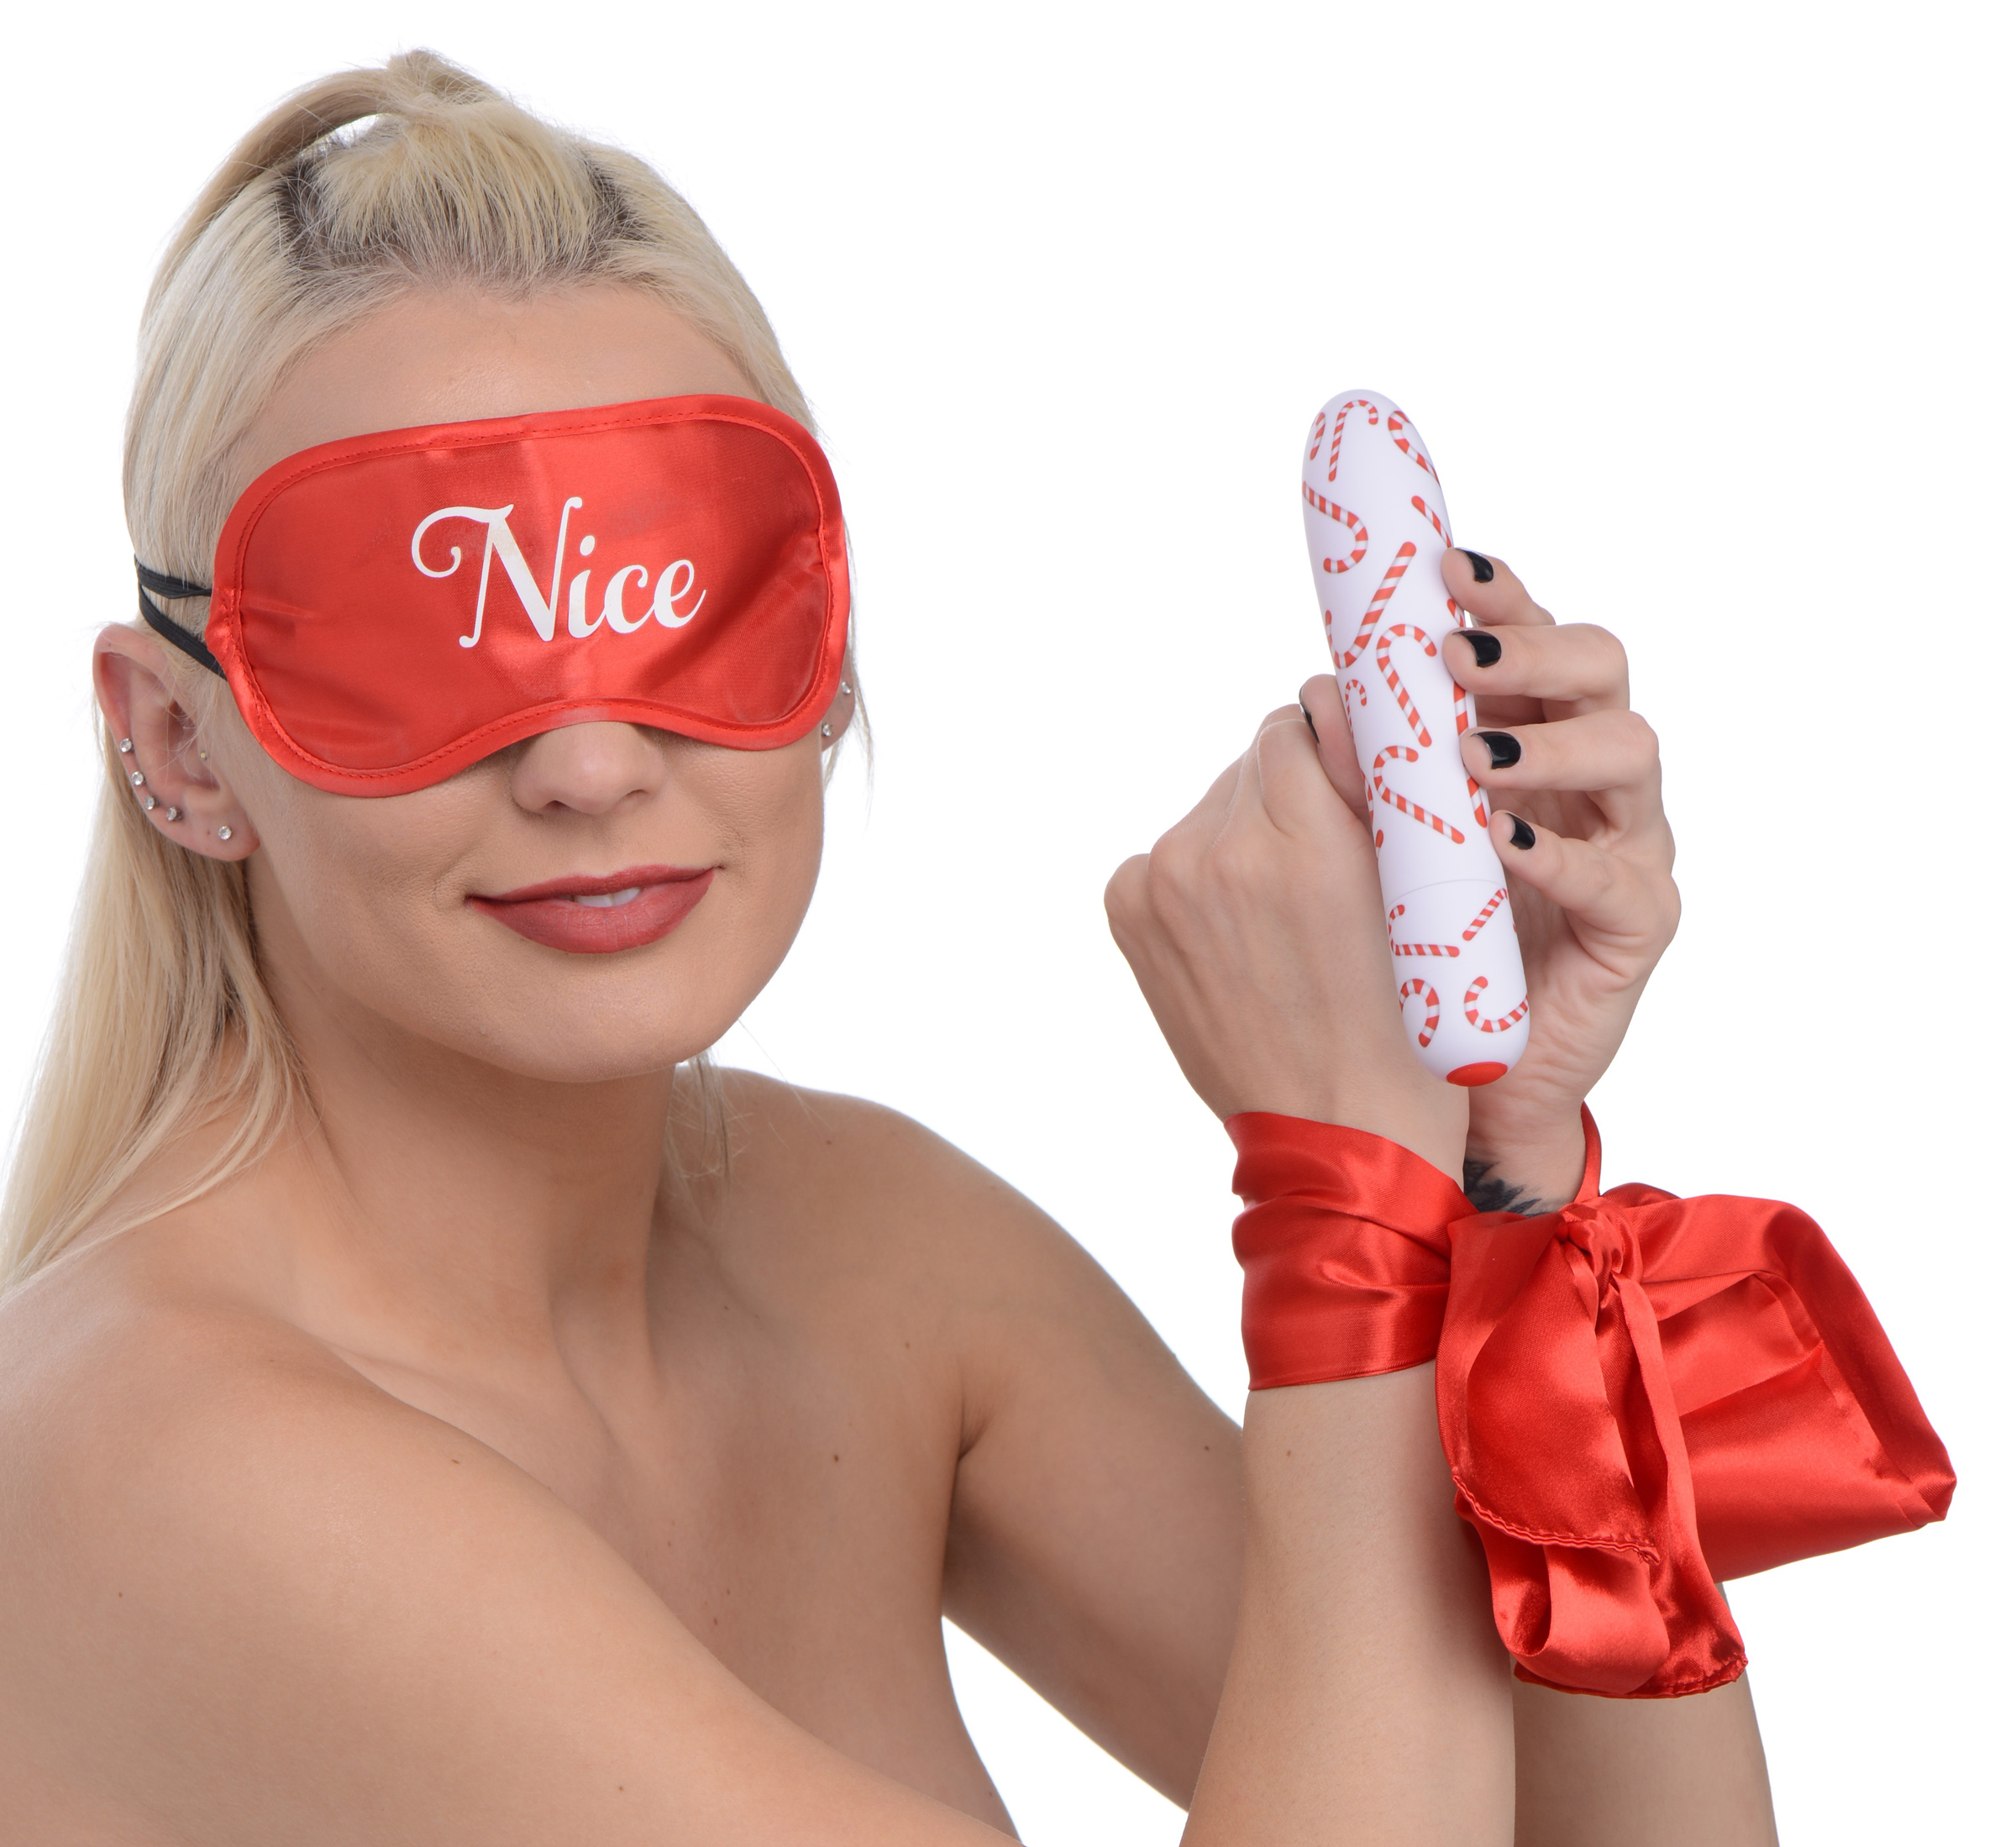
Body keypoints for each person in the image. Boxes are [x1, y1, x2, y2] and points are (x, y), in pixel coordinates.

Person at [0, 50, 1935, 1844]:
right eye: (442, 641)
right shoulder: (150, 1459)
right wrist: (1346, 1216)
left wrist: (1495, 1166)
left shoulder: (854, 1243)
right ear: (179, 743)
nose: (589, 762)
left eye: (676, 604)